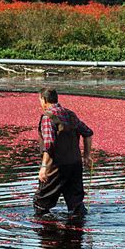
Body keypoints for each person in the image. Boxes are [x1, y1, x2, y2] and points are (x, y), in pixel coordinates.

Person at [33, 88, 93, 216]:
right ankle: (77, 231)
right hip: (75, 165)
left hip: (56, 167)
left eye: (40, 100)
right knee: (76, 204)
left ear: (44, 100)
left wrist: (44, 167)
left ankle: (46, 232)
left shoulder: (47, 117)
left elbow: (49, 144)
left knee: (41, 203)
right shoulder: (70, 114)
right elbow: (88, 133)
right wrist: (87, 156)